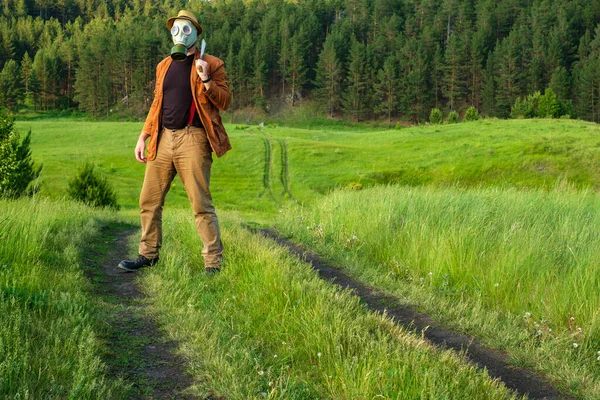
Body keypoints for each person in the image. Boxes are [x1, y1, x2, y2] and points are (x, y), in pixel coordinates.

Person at [118, 10, 231, 274]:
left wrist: (206, 79)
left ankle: (213, 263)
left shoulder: (212, 64)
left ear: (195, 32)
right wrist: (143, 136)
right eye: (176, 29)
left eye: (186, 29)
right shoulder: (164, 65)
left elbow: (225, 101)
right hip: (163, 138)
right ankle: (148, 255)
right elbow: (157, 103)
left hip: (194, 138)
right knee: (149, 200)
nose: (181, 34)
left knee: (201, 205)